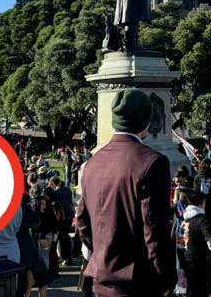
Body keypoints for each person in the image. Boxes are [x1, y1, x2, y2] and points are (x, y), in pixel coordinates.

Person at [76, 89, 176, 297]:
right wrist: (165, 279)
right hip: (137, 282)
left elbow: (83, 222)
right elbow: (154, 230)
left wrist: (103, 254)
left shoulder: (91, 164)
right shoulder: (152, 163)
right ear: (146, 122)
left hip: (101, 280)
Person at [182, 189, 211, 297]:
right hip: (200, 262)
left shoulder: (186, 220)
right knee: (202, 291)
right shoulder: (203, 219)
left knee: (191, 290)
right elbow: (210, 240)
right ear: (202, 202)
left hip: (188, 259)